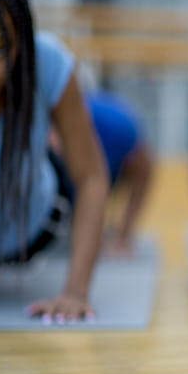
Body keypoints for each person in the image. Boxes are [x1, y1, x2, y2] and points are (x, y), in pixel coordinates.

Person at [0, 0, 108, 323]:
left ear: (21, 42)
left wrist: (76, 291)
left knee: (57, 161)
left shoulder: (46, 61)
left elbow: (91, 178)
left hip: (30, 232)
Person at [50, 90, 153, 257]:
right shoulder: (62, 129)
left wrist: (124, 235)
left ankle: (117, 236)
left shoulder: (122, 132)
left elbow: (143, 175)